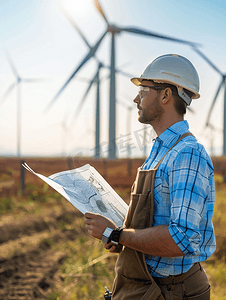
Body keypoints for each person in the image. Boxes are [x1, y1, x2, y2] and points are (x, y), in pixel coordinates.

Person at [84, 54, 216, 299]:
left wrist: (116, 234)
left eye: (143, 90)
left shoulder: (186, 153)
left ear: (165, 95)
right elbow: (155, 223)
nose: (136, 98)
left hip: (173, 291)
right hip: (150, 285)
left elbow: (182, 239)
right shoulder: (161, 150)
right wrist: (124, 240)